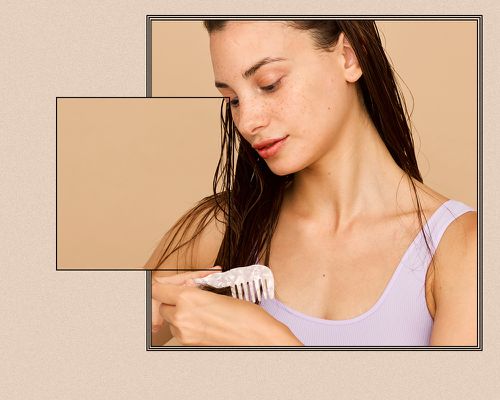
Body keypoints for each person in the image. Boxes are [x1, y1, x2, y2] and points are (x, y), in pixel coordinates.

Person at [147, 20, 477, 346]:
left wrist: (276, 347)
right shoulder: (221, 227)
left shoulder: (464, 252)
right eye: (232, 98)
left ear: (348, 57)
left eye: (269, 84)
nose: (247, 122)